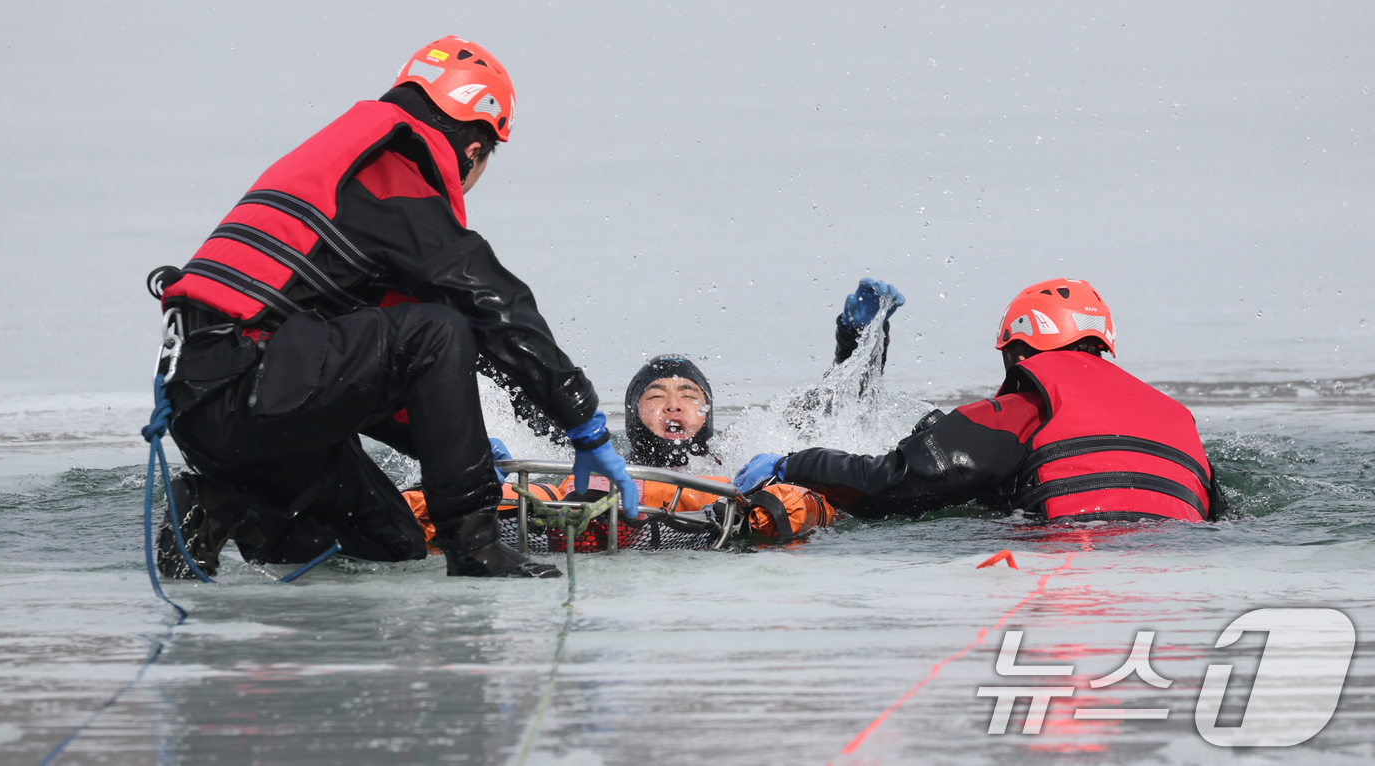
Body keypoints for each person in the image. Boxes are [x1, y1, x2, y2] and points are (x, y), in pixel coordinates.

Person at [148, 36, 642, 580]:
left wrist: (459, 444)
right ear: (474, 148)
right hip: (246, 388)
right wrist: (586, 427)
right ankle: (475, 547)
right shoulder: (394, 171)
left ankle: (217, 504)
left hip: (223, 406)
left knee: (391, 543)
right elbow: (497, 307)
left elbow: (363, 367)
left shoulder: (345, 166)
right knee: (440, 329)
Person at [416, 278, 905, 544]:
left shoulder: (744, 452)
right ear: (632, 416)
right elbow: (518, 387)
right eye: (655, 396)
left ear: (707, 412)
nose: (674, 404)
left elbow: (839, 414)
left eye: (690, 394)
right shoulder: (585, 452)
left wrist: (861, 342)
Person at [734, 279, 1225, 523]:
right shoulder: (1177, 419)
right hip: (1174, 568)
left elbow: (890, 483)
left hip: (1071, 562)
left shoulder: (1022, 408)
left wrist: (792, 462)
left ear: (1017, 350)